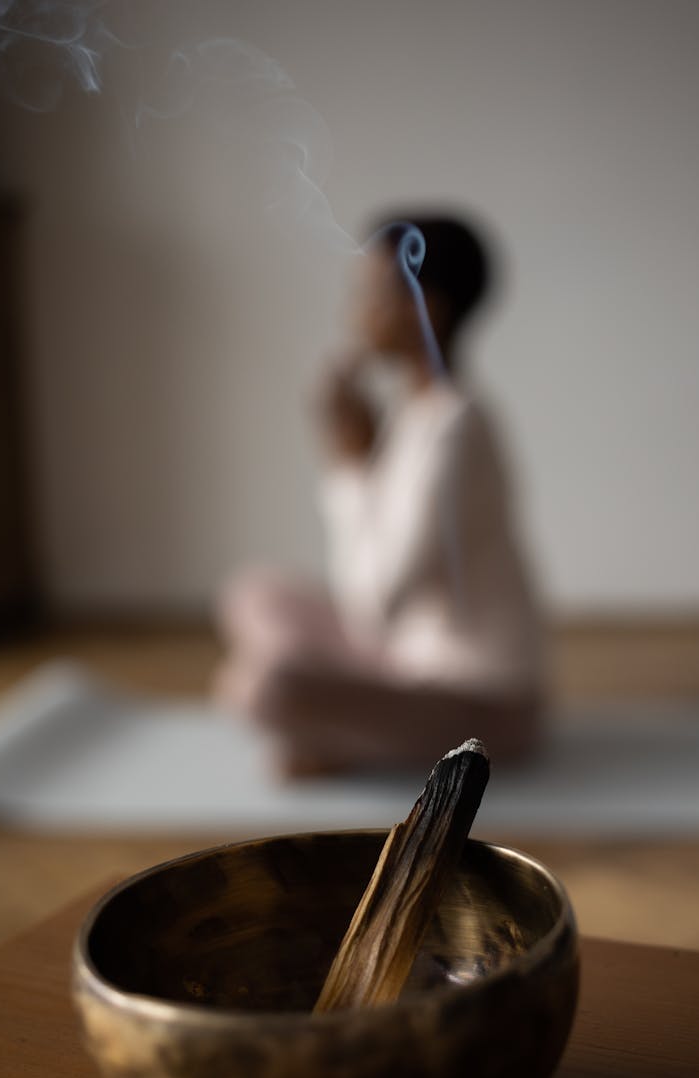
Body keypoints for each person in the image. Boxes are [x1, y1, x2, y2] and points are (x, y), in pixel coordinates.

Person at [213, 213, 545, 775]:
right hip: (402, 659)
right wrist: (364, 457)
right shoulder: (414, 417)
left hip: (485, 706)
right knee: (252, 590)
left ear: (426, 309)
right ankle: (348, 732)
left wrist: (346, 466)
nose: (356, 312)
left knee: (262, 688)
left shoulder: (455, 428)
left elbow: (371, 605)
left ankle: (350, 743)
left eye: (371, 293)